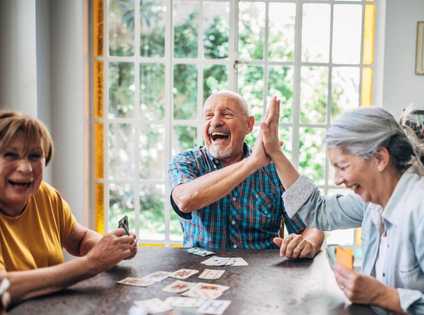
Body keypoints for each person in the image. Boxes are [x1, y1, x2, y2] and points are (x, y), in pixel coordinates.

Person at [260, 102, 424, 314]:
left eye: (342, 166)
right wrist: (275, 152)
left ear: (380, 159)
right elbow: (318, 211)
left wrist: (383, 296)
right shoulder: (375, 201)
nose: (337, 179)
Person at [0, 111, 137, 304]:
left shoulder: (45, 196)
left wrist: (111, 248)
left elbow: (80, 240)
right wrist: (91, 263)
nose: (26, 168)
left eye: (34, 156)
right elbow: (3, 287)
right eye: (10, 155)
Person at [168, 90, 323, 258]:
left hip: (262, 275)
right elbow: (185, 200)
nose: (216, 121)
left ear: (249, 125)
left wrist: (308, 243)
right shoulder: (186, 162)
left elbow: (312, 225)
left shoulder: (275, 169)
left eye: (226, 114)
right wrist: (252, 163)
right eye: (209, 115)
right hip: (199, 273)